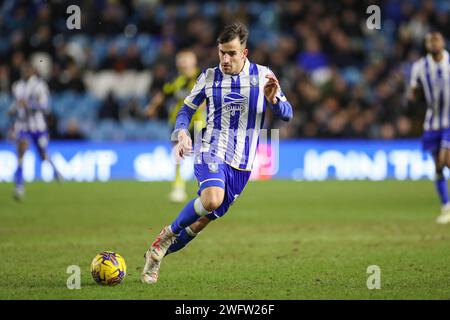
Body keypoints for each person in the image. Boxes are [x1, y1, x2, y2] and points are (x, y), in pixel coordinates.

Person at [141, 22, 293, 284]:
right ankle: (167, 233)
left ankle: (156, 255)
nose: (225, 58)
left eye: (231, 53)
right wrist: (182, 132)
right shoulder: (209, 77)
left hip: (242, 162)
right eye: (221, 52)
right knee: (211, 200)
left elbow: (287, 114)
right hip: (210, 146)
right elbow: (186, 110)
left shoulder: (264, 76)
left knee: (202, 221)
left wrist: (274, 101)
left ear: (243, 53)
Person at [144, 49, 206, 203]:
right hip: (180, 123)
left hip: (199, 122)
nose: (183, 62)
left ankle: (206, 186)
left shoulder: (202, 77)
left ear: (194, 61)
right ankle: (178, 186)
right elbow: (164, 95)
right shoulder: (175, 79)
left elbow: (208, 97)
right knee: (178, 154)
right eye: (181, 59)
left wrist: (202, 106)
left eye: (186, 59)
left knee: (203, 156)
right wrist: (152, 107)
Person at [409, 31, 450, 224]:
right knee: (438, 167)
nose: (434, 43)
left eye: (437, 40)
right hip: (432, 123)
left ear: (442, 42)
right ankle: (446, 207)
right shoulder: (419, 67)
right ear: (426, 45)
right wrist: (412, 96)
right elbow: (414, 90)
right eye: (430, 41)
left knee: (446, 159)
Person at [9, 62, 62, 200]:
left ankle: (55, 169)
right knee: (20, 153)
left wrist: (30, 104)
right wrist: (13, 110)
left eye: (28, 69)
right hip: (23, 126)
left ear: (33, 71)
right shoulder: (17, 86)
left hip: (38, 127)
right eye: (23, 69)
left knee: (43, 155)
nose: (25, 71)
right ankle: (19, 186)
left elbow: (45, 106)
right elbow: (16, 104)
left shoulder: (40, 85)